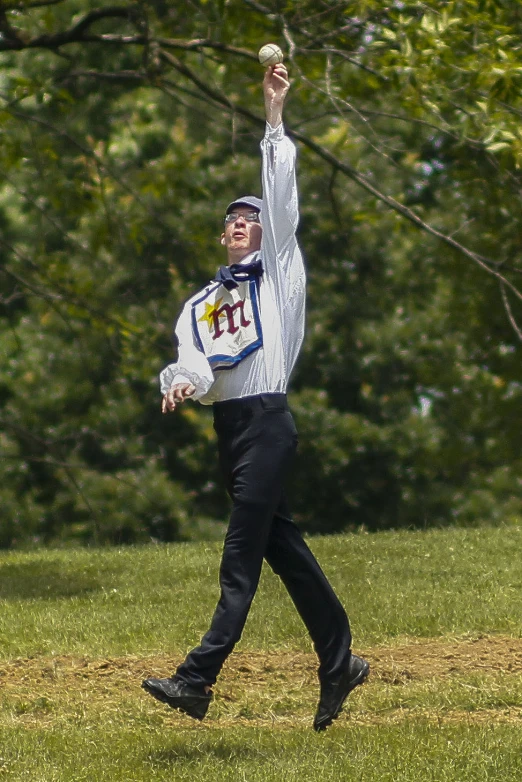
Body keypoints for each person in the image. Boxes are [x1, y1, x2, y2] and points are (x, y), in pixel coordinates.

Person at [142, 63, 369, 732]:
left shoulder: (281, 278)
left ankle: (197, 677)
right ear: (222, 235)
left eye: (252, 218)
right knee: (284, 551)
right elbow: (194, 362)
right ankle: (340, 662)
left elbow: (281, 196)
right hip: (231, 431)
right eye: (233, 219)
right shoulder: (201, 302)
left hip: (269, 423)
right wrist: (181, 382)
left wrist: (273, 119)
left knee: (240, 553)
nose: (243, 223)